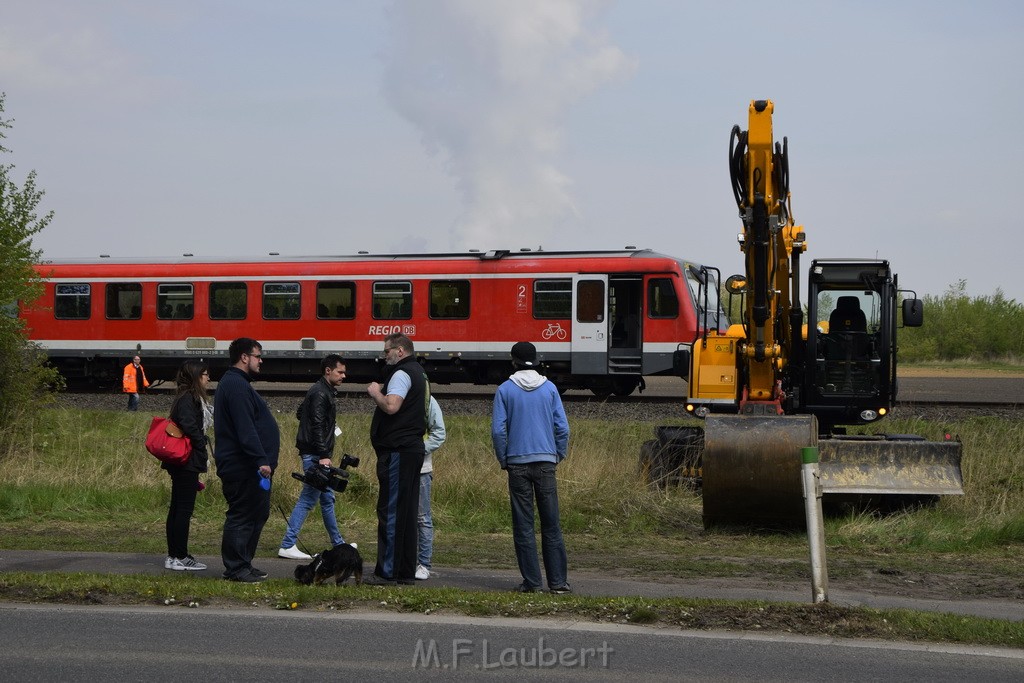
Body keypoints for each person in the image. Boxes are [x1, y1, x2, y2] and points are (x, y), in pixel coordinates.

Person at [491, 341, 571, 594]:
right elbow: (563, 428)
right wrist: (558, 453)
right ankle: (558, 583)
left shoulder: (505, 390)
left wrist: (504, 457)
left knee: (524, 526)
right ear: (536, 361)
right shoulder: (550, 389)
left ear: (513, 362)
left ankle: (532, 582)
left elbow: (498, 430)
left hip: (517, 462)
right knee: (551, 524)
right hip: (546, 461)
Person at [214, 337, 280, 583]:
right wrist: (261, 460)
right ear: (244, 357)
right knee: (242, 514)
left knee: (257, 512)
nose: (260, 360)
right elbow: (246, 428)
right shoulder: (235, 385)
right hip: (243, 466)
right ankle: (235, 567)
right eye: (258, 355)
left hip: (251, 466)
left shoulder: (238, 384)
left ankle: (244, 562)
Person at [366, 332, 429, 585]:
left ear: (400, 351)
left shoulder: (402, 373)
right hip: (411, 449)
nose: (384, 356)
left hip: (398, 451)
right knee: (406, 512)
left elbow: (392, 406)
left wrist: (374, 392)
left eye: (387, 351)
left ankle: (388, 572)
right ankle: (404, 571)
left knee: (391, 511)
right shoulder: (420, 373)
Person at [279, 354, 350, 560]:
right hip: (316, 455)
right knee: (308, 499)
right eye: (340, 372)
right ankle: (287, 544)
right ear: (328, 371)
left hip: (314, 453)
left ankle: (338, 543)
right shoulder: (321, 393)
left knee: (327, 499)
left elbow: (302, 413)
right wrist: (323, 454)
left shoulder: (319, 390)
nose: (344, 376)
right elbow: (317, 424)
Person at [163, 360, 213, 571]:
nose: (208, 378)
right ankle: (180, 556)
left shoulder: (183, 397)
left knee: (177, 507)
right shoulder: (188, 398)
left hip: (181, 460)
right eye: (204, 375)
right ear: (195, 377)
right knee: (183, 509)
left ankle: (174, 555)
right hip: (186, 460)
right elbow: (190, 426)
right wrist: (201, 445)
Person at [415, 396, 446, 580]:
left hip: (422, 469)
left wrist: (418, 450)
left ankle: (424, 564)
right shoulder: (394, 393)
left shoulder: (427, 399)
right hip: (399, 467)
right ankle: (406, 561)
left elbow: (439, 433)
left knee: (422, 517)